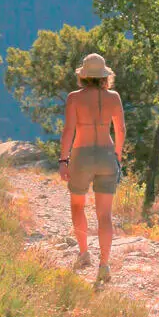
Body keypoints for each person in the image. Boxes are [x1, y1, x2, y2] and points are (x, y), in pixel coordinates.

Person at [58, 53, 126, 283]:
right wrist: (117, 156)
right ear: (105, 76)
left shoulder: (74, 98)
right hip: (107, 155)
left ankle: (84, 252)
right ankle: (104, 265)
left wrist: (63, 160)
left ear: (83, 76)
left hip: (82, 156)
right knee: (104, 215)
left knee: (78, 206)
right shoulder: (114, 98)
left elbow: (69, 130)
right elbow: (121, 130)